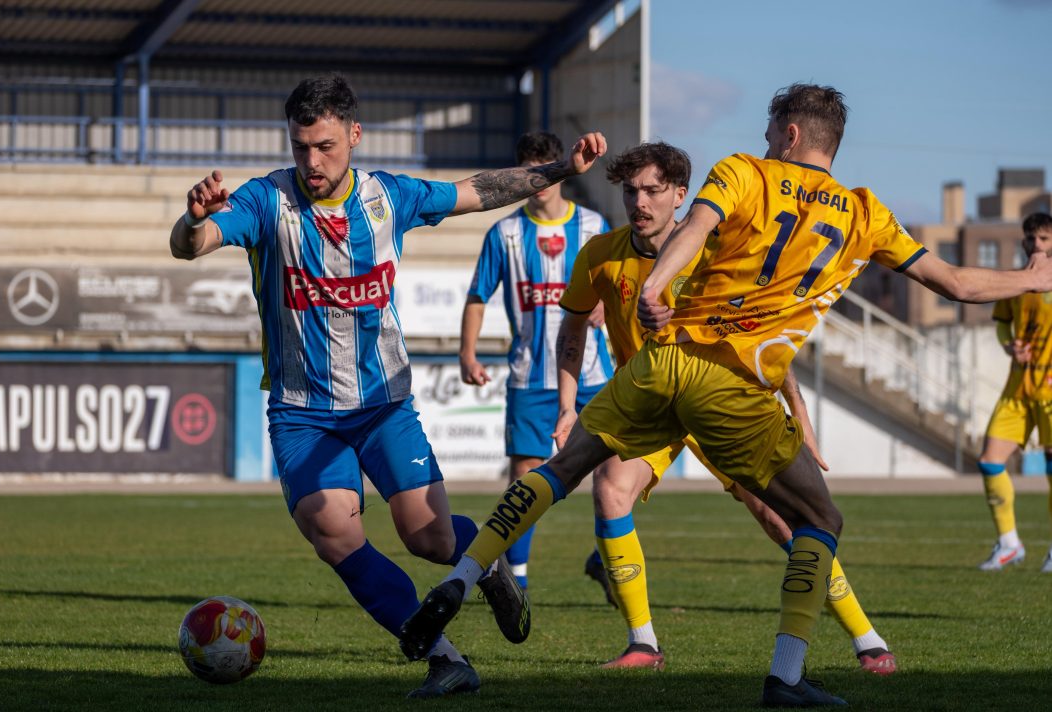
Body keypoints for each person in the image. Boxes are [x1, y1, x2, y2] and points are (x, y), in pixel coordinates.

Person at [398, 83, 1052, 707]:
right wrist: (1030, 277)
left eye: (771, 135)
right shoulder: (865, 213)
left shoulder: (744, 172)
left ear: (790, 133)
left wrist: (656, 284)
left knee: (562, 469)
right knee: (820, 521)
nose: (765, 144)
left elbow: (697, 227)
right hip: (733, 386)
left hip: (663, 363)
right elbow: (960, 285)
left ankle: (461, 578)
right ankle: (787, 674)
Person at [168, 74, 605, 699]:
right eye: (300, 147)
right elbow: (193, 244)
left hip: (383, 405)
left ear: (354, 134)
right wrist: (192, 219)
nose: (312, 161)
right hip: (302, 413)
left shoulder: (388, 198)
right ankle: (445, 659)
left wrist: (560, 168)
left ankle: (485, 565)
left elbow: (476, 192)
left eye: (324, 146)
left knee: (426, 537)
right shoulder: (268, 202)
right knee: (334, 532)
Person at [554, 141, 895, 674]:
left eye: (652, 191)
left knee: (782, 519)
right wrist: (568, 405)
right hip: (648, 404)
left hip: (718, 397)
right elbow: (572, 326)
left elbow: (762, 338)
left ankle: (866, 637)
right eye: (631, 191)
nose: (639, 202)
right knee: (609, 489)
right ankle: (643, 644)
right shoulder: (600, 254)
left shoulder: (717, 252)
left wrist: (799, 415)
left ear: (679, 196)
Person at [460, 131, 615, 594]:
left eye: (548, 166)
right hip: (531, 376)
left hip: (594, 372)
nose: (540, 178)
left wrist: (609, 301)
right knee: (526, 477)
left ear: (563, 168)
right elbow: (477, 296)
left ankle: (604, 556)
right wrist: (467, 352)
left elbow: (616, 281)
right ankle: (518, 583)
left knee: (616, 469)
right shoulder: (505, 233)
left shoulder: (593, 225)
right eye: (531, 169)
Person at [977, 211, 1052, 573]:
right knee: (990, 460)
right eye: (1031, 239)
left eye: (1044, 239)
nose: (1036, 245)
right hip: (1018, 386)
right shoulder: (1016, 281)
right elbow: (1003, 324)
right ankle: (1009, 543)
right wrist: (1010, 347)